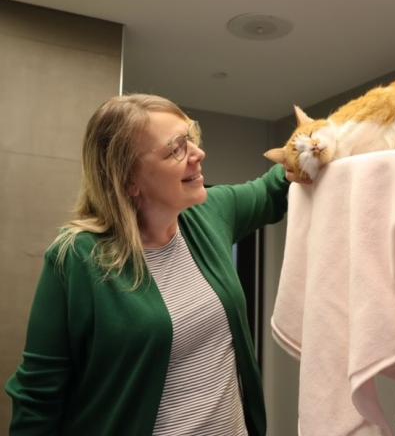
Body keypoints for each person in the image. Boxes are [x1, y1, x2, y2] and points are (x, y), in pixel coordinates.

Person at [5, 93, 291, 436]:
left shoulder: (208, 213)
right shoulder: (76, 259)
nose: (198, 155)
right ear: (128, 180)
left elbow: (275, 188)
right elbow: (38, 395)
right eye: (176, 149)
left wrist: (326, 143)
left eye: (192, 139)